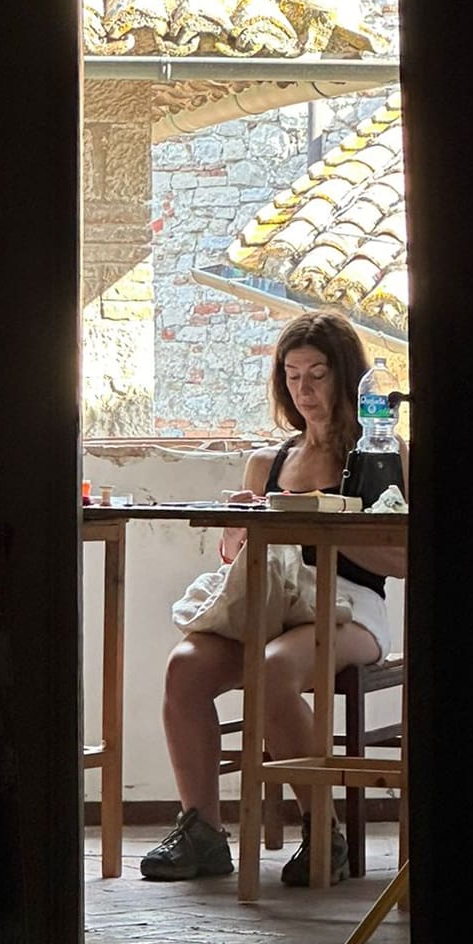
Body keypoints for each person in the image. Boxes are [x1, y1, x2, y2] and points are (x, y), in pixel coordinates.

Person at [140, 311, 408, 885]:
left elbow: (405, 561)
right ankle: (202, 832)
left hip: (351, 606)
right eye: (292, 376)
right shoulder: (269, 462)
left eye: (318, 374)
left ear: (345, 376)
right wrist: (240, 525)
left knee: (273, 668)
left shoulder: (380, 454)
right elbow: (235, 562)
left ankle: (323, 833)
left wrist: (324, 525)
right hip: (273, 600)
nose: (305, 390)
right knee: (185, 668)